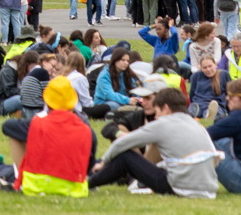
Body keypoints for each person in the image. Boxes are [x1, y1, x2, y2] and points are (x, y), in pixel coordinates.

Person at [88, 84, 221, 198]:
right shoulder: (196, 125)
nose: (156, 116)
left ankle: (88, 183)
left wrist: (104, 162)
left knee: (125, 157)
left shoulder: (163, 123)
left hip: (180, 186)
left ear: (166, 108)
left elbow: (122, 143)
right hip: (208, 189)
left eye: (157, 111)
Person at [9, 76, 95, 196]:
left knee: (16, 133)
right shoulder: (85, 128)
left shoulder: (37, 123)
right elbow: (90, 160)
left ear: (47, 100)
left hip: (36, 185)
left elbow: (8, 126)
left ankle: (21, 178)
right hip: (73, 188)